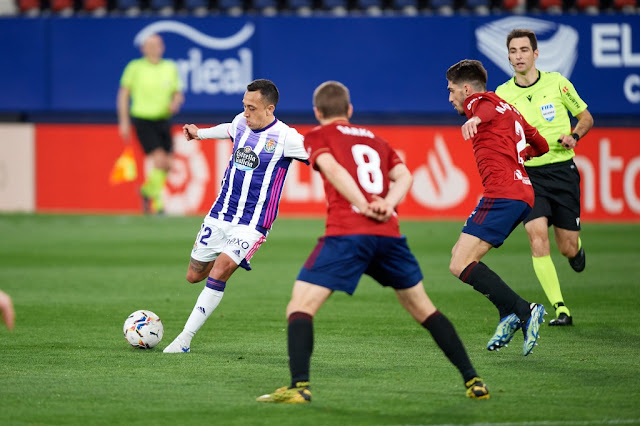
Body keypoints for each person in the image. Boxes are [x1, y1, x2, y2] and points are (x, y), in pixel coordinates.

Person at [257, 81, 490, 404]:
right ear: (349, 110)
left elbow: (333, 169)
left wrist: (363, 204)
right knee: (424, 308)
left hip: (347, 234)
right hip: (389, 235)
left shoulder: (317, 136)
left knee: (300, 305)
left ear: (317, 112)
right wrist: (386, 203)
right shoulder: (376, 140)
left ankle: (299, 386)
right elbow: (406, 176)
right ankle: (473, 379)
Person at [163, 79, 309, 353]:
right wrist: (199, 133)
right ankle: (221, 259)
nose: (246, 112)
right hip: (219, 214)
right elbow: (228, 129)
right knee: (194, 276)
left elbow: (320, 156)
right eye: (244, 106)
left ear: (269, 108)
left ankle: (184, 339)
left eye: (252, 108)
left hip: (252, 224)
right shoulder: (240, 122)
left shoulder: (287, 138)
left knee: (220, 270)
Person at [446, 59, 550, 356]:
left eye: (452, 90)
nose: (450, 96)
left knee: (458, 263)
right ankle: (508, 312)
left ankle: (524, 310)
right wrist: (523, 156)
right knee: (461, 258)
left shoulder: (479, 103)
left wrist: (476, 120)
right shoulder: (511, 109)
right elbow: (541, 144)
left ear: (466, 89)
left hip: (503, 193)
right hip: (521, 193)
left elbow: (484, 110)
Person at [495, 29, 594, 327]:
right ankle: (560, 308)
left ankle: (575, 252)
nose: (518, 56)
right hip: (529, 175)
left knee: (566, 246)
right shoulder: (503, 94)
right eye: (513, 51)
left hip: (562, 172)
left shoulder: (557, 83)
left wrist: (574, 135)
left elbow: (586, 118)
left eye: (524, 50)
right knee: (537, 238)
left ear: (536, 54)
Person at [117, 33, 184, 215]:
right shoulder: (135, 68)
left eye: (156, 45)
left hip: (163, 119)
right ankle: (159, 204)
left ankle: (147, 192)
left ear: (162, 47)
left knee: (168, 164)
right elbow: (123, 95)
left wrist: (175, 102)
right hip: (143, 119)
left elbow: (178, 92)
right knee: (159, 159)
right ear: (143, 49)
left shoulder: (170, 67)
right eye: (149, 45)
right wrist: (123, 121)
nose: (153, 48)